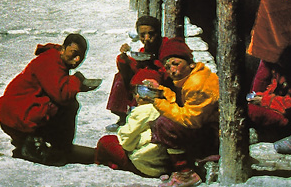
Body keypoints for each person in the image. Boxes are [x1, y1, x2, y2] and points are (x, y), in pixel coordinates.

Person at [0, 33, 96, 165]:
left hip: (18, 113)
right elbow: (62, 96)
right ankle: (43, 144)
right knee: (69, 105)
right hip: (16, 116)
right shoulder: (50, 61)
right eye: (74, 53)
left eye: (81, 57)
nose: (77, 60)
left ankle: (37, 141)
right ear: (63, 49)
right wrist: (76, 79)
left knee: (65, 104)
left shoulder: (57, 59)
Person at [141, 38, 219, 187]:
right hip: (205, 127)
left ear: (190, 62)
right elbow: (181, 103)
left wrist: (158, 102)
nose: (172, 71)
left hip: (213, 134)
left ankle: (185, 173)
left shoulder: (197, 83)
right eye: (168, 67)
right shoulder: (191, 77)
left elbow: (190, 119)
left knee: (165, 124)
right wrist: (160, 91)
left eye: (176, 64)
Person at [94, 69, 171, 177]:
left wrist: (121, 131)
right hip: (162, 162)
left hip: (144, 164)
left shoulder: (143, 110)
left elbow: (126, 142)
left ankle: (101, 163)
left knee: (105, 142)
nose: (138, 96)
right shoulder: (167, 107)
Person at [106, 15, 173, 131]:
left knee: (146, 77)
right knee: (120, 78)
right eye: (142, 35)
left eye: (151, 34)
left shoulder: (167, 47)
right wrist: (124, 59)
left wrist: (155, 64)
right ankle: (123, 116)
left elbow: (169, 71)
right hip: (144, 85)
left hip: (164, 86)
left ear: (158, 33)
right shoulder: (144, 50)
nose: (146, 38)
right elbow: (137, 67)